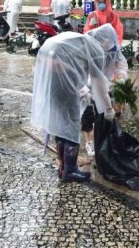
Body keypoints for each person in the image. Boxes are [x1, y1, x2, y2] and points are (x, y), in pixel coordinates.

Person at [30, 32, 114, 182]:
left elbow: (71, 68)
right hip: (64, 85)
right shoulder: (96, 49)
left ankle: (63, 166)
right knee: (72, 125)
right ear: (106, 42)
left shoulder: (80, 41)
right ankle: (70, 170)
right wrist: (108, 108)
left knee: (61, 123)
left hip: (52, 85)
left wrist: (82, 87)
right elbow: (98, 81)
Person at [81, 24, 130, 156]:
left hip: (106, 84)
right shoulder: (90, 49)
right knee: (87, 113)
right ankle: (89, 142)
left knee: (103, 115)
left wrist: (121, 77)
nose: (109, 44)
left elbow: (121, 63)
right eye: (106, 41)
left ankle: (104, 138)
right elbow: (83, 72)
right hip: (89, 85)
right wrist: (84, 89)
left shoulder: (113, 47)